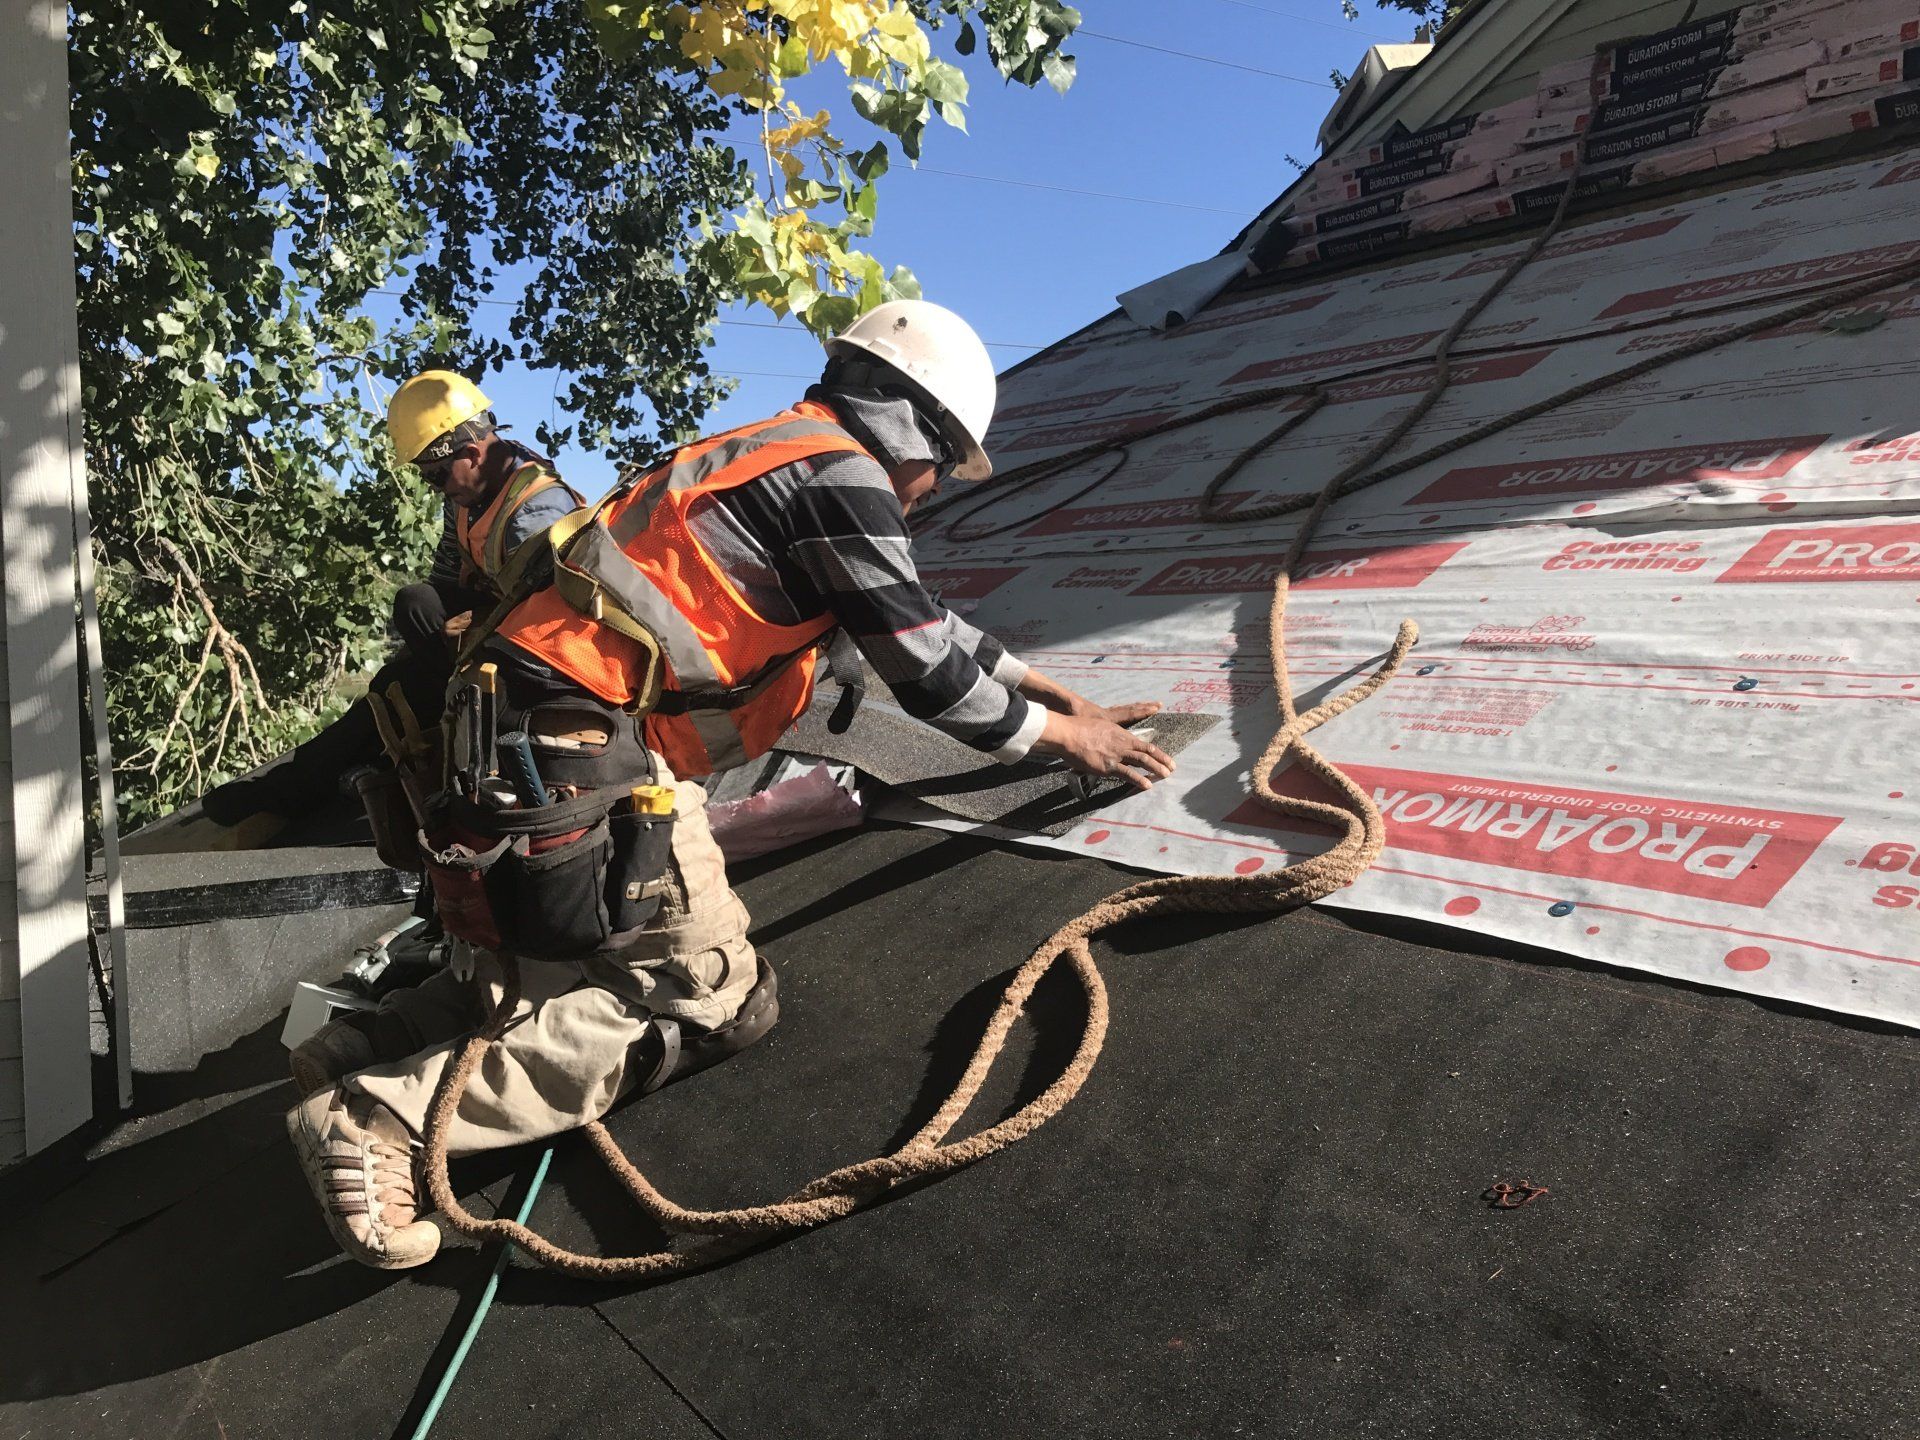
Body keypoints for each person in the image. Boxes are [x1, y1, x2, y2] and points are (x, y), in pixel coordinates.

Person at [285, 301, 1175, 1269]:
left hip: (530, 732)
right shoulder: (845, 479)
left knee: (572, 966)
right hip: (585, 746)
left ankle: (372, 1040)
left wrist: (1055, 696)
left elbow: (927, 622)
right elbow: (925, 669)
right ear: (914, 429)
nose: (928, 493)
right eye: (943, 465)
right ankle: (383, 1122)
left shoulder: (780, 450)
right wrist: (1062, 744)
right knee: (710, 993)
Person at [198, 372, 581, 837]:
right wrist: (435, 636)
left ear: (471, 452)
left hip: (529, 662)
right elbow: (444, 575)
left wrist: (479, 628)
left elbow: (553, 624)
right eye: (426, 477)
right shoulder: (468, 492)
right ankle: (385, 727)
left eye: (437, 474)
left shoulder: (537, 512)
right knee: (411, 614)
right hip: (486, 637)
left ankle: (289, 789)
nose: (436, 487)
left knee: (401, 687)